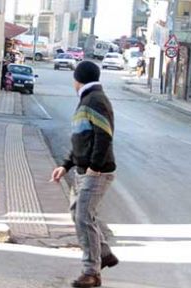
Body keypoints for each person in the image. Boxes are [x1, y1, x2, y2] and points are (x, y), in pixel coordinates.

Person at [50, 61, 117, 288]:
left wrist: (95, 167)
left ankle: (91, 273)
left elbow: (104, 136)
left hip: (95, 172)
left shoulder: (96, 101)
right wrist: (66, 165)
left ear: (78, 79)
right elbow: (81, 139)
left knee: (83, 217)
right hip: (83, 170)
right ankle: (104, 253)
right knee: (77, 213)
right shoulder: (88, 100)